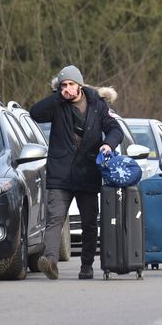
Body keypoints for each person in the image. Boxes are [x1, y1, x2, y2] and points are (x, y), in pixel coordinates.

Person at [29, 65, 122, 280]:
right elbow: (35, 113)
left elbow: (115, 129)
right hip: (59, 173)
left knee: (89, 222)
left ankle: (87, 265)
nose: (67, 88)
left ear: (80, 85)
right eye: (63, 85)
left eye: (70, 84)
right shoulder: (57, 105)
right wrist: (57, 98)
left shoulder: (98, 104)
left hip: (88, 171)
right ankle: (50, 261)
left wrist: (108, 144)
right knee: (55, 219)